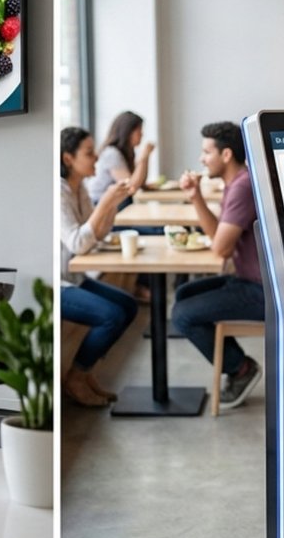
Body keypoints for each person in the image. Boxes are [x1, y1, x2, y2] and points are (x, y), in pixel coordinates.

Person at [170, 121, 264, 410]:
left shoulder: (242, 187)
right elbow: (217, 238)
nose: (201, 159)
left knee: (182, 314)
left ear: (225, 155)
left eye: (206, 152)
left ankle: (241, 369)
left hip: (264, 291)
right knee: (184, 294)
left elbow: (221, 249)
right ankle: (238, 364)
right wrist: (196, 196)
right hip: (248, 280)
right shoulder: (237, 182)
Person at [60, 127, 139, 407]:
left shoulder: (78, 186)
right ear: (68, 158)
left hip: (75, 277)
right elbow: (78, 244)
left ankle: (84, 372)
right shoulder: (58, 193)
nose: (96, 157)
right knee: (112, 315)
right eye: (89, 152)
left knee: (129, 306)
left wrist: (110, 205)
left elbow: (100, 234)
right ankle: (76, 378)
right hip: (57, 285)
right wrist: (105, 201)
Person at [85, 110, 156, 207]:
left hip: (115, 203)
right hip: (100, 204)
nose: (142, 134)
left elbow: (140, 182)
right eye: (139, 130)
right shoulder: (111, 153)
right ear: (127, 132)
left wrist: (146, 157)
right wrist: (143, 157)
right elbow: (131, 187)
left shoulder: (126, 152)